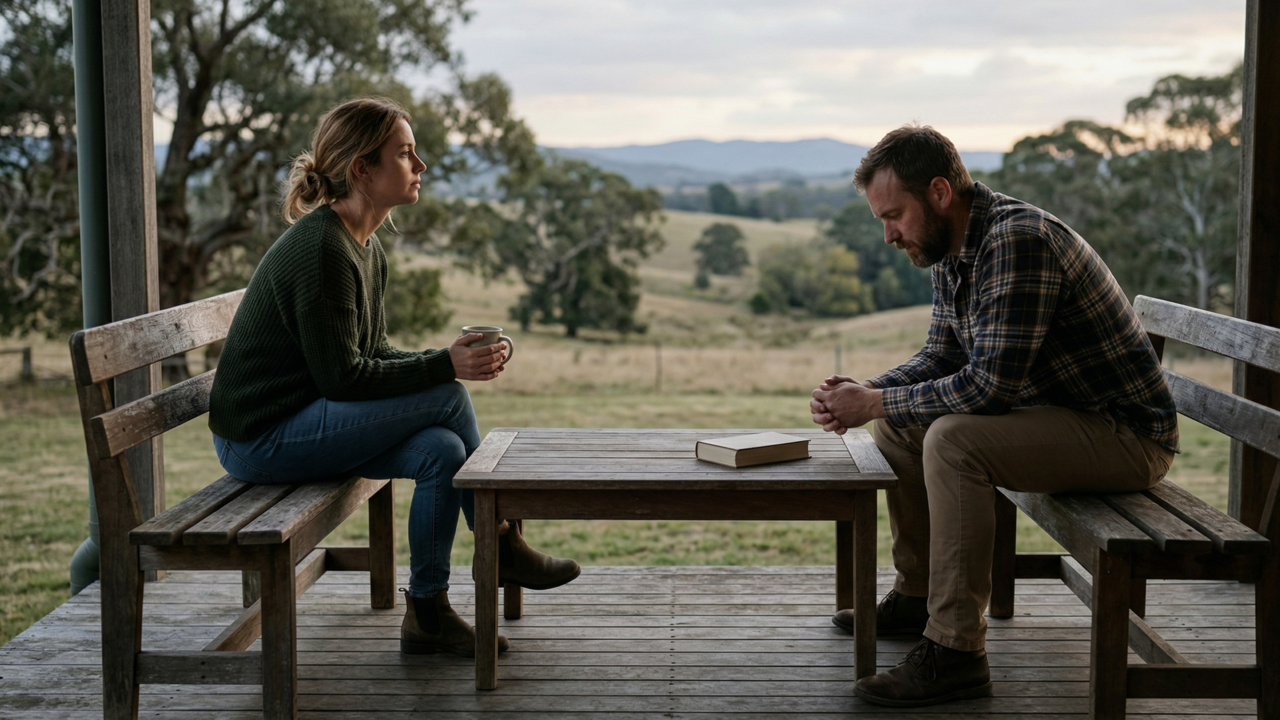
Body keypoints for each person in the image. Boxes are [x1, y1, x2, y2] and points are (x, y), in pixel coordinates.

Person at [810, 125, 1177, 707]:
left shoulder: (1018, 241)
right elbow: (942, 356)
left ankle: (956, 651)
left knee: (955, 440)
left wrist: (873, 400)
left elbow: (987, 388)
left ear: (938, 192)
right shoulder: (952, 246)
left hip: (1125, 436)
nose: (888, 235)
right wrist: (868, 391)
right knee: (901, 423)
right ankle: (917, 593)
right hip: (1060, 417)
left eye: (895, 215)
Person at [208, 97, 580, 659]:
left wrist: (441, 360)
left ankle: (427, 612)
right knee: (449, 397)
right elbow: (343, 379)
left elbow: (371, 352)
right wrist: (446, 366)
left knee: (439, 449)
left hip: (307, 420)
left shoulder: (366, 244)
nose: (421, 166)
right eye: (405, 154)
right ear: (363, 168)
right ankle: (499, 541)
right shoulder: (322, 250)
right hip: (260, 439)